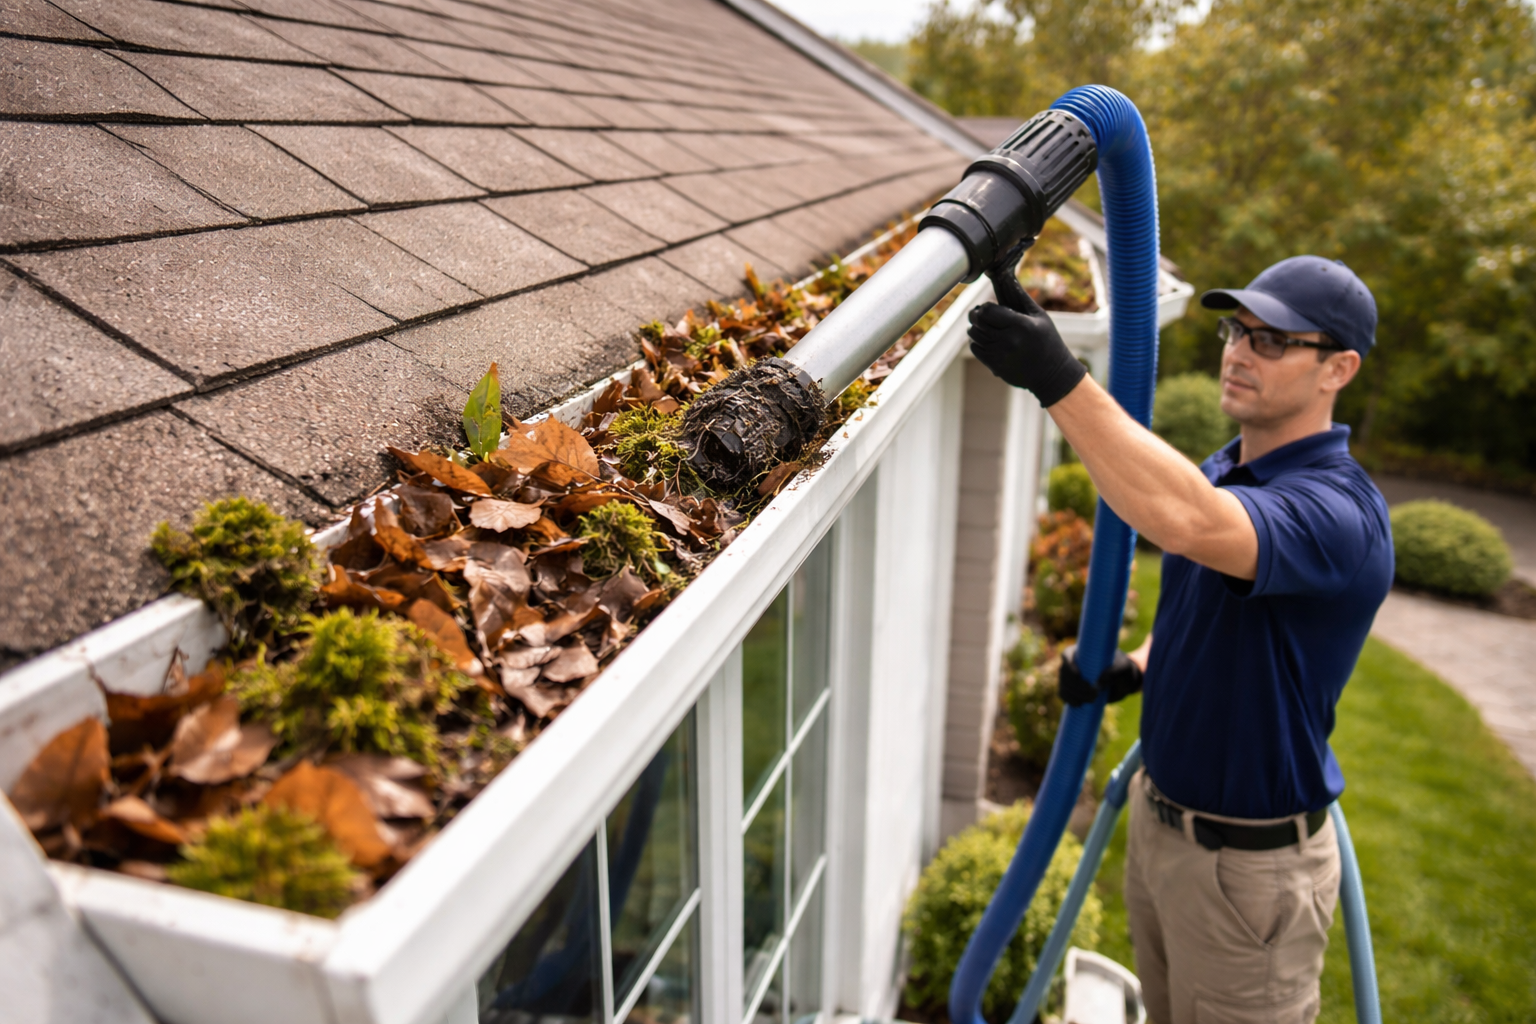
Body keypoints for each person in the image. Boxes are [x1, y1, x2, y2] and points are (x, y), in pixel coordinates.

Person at [967, 255, 1392, 1024]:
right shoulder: (1229, 469)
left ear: (1340, 367)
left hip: (1248, 875)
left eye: (1270, 341)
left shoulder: (1338, 514)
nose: (1236, 351)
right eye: (1236, 330)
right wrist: (1135, 666)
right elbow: (1210, 591)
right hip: (1163, 834)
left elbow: (1187, 521)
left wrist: (1058, 378)